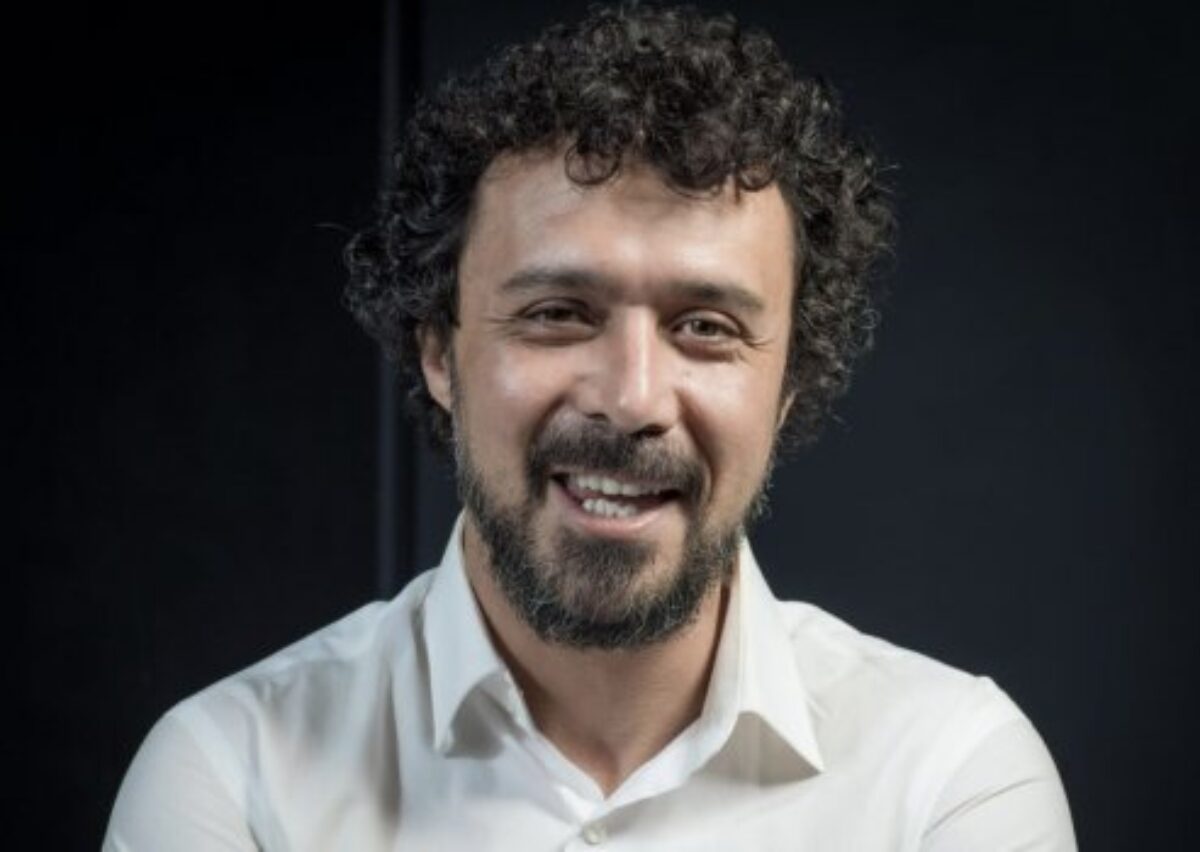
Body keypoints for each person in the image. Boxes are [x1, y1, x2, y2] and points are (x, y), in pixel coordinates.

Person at [105, 4, 1076, 849]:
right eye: (558, 314)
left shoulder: (948, 777)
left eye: (707, 327)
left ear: (787, 387)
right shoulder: (233, 779)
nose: (632, 398)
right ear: (439, 352)